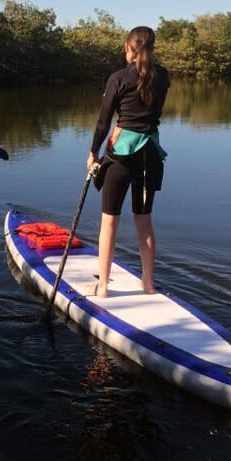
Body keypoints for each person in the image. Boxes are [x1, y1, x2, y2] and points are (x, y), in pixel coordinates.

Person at [86, 26, 170, 296]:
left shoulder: (118, 78)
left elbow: (103, 122)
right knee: (144, 221)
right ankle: (148, 284)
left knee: (109, 221)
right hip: (150, 157)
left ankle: (102, 287)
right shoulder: (164, 76)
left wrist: (92, 153)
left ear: (127, 47)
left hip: (122, 156)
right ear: (152, 48)